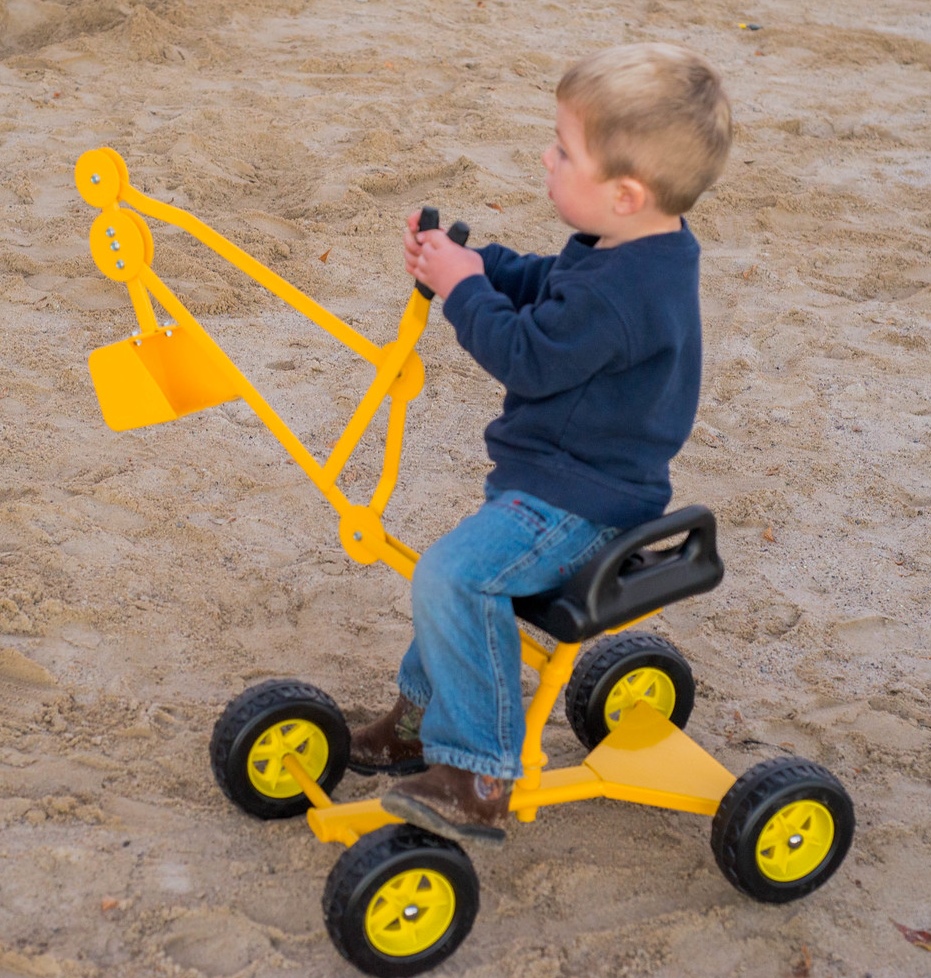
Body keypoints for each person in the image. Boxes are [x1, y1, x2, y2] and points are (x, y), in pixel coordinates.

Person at [349, 42, 732, 846]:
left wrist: (460, 288)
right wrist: (472, 263)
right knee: (453, 569)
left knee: (456, 576)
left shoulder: (628, 295)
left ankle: (478, 769)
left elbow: (525, 350)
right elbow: (544, 286)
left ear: (625, 193)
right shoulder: (629, 248)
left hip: (577, 504)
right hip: (556, 480)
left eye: (563, 151)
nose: (545, 157)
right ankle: (420, 722)